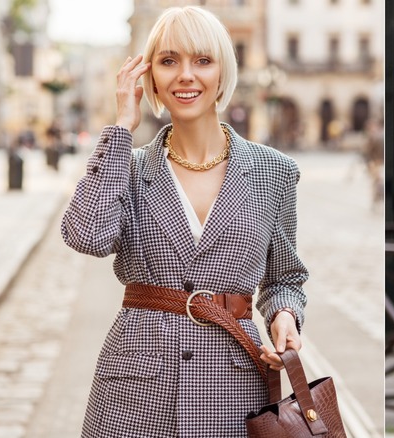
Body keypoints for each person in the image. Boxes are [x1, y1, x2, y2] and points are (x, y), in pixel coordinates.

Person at [61, 6, 307, 437]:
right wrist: (121, 126)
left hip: (233, 387)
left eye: (203, 60)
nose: (186, 75)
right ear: (149, 75)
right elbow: (88, 235)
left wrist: (284, 313)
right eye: (169, 60)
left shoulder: (275, 171)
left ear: (222, 72)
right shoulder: (130, 166)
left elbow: (284, 276)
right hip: (136, 390)